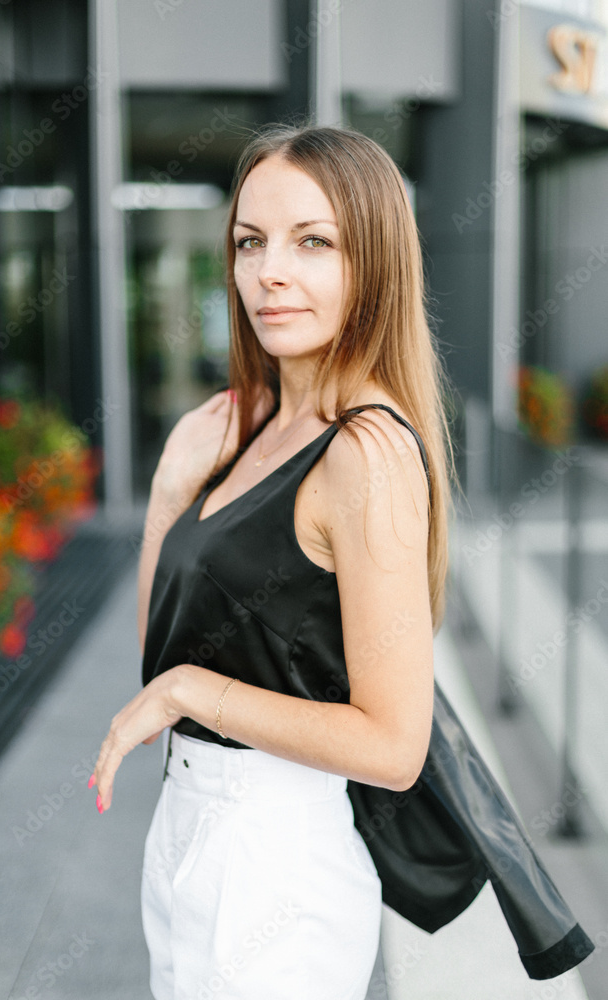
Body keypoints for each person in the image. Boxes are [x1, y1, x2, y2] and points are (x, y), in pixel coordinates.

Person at [88, 123, 592, 997]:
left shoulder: (365, 454)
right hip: (192, 826)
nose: (266, 271)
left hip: (274, 859)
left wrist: (186, 693)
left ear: (373, 265)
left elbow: (394, 746)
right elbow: (162, 657)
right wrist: (171, 494)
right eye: (250, 242)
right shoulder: (248, 429)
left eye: (311, 241)